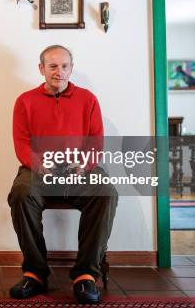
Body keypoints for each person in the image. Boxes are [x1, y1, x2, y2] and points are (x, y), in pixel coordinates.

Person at [8, 45, 117, 304]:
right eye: (53, 66)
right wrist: (39, 166)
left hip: (78, 169)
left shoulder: (88, 99)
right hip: (39, 169)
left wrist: (84, 165)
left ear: (71, 68)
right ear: (41, 68)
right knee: (21, 194)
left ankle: (86, 276)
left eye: (65, 66)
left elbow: (95, 141)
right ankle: (35, 273)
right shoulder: (25, 100)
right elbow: (21, 142)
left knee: (105, 192)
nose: (59, 71)